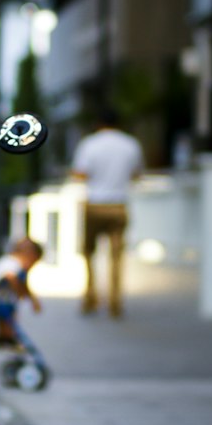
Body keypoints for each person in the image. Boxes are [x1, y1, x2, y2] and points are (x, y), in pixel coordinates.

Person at [69, 108, 144, 318]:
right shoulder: (130, 144)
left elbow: (80, 173)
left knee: (88, 253)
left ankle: (90, 296)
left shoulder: (90, 144)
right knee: (117, 256)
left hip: (95, 204)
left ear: (99, 123)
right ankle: (115, 300)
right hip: (119, 205)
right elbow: (137, 174)